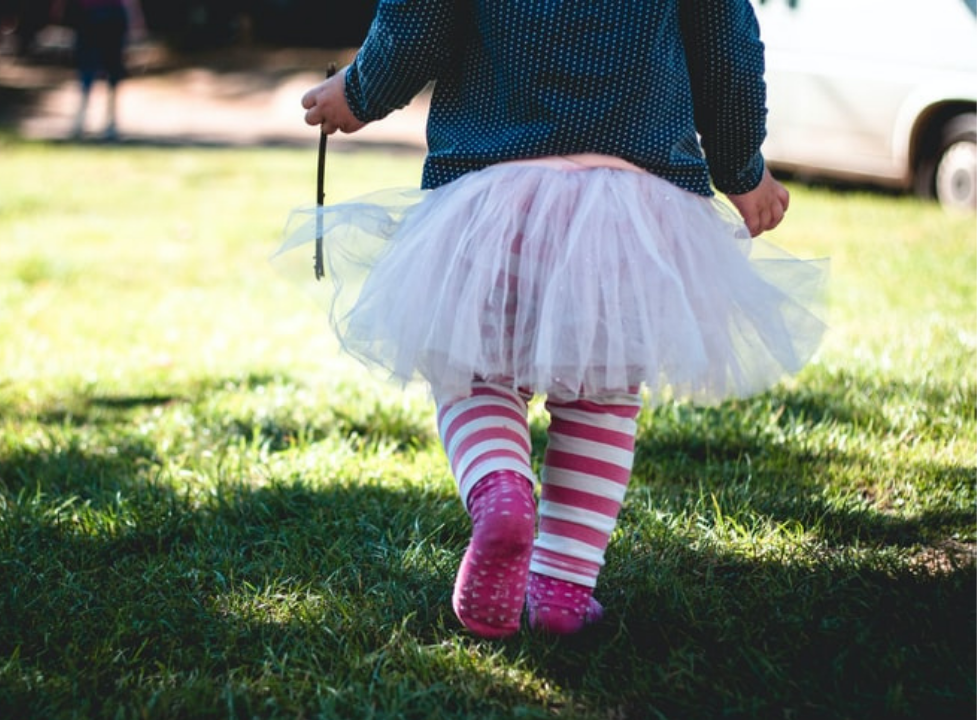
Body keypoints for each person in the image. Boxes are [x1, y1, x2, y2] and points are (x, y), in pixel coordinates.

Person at [284, 0, 827, 638]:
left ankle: (501, 490)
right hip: (632, 206)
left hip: (494, 191)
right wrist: (743, 169)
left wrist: (360, 90)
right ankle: (562, 590)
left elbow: (419, 20)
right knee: (601, 398)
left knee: (474, 375)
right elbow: (726, 49)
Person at [52, 0, 145, 141]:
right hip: (109, 16)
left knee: (89, 68)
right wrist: (136, 19)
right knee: (111, 68)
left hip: (91, 15)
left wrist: (59, 8)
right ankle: (109, 122)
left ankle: (82, 121)